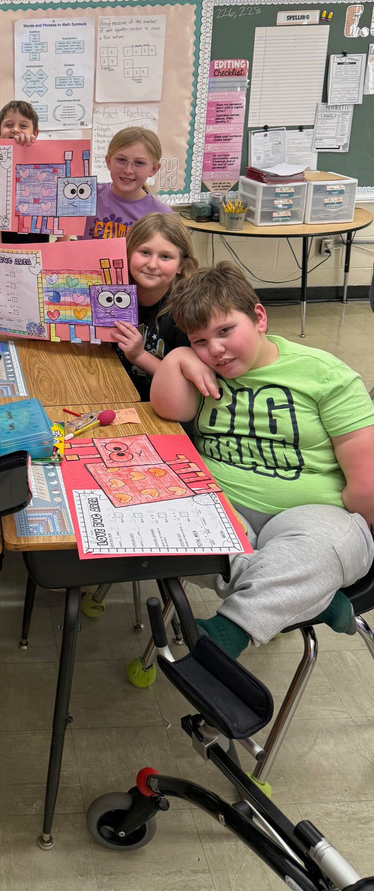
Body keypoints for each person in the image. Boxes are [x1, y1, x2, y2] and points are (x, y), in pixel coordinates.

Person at [150, 261, 374, 658]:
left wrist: (347, 532)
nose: (215, 350)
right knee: (164, 528)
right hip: (223, 505)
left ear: (258, 317)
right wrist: (178, 358)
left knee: (332, 544)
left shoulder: (324, 374)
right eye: (199, 340)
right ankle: (313, 598)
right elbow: (169, 409)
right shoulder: (205, 368)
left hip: (310, 511)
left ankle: (229, 630)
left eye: (225, 331)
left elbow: (366, 483)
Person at [111, 212, 198, 400]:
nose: (151, 264)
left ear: (181, 266)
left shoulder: (186, 312)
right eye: (145, 252)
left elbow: (186, 383)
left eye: (165, 257)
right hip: (114, 391)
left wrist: (139, 356)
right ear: (127, 253)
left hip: (160, 405)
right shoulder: (111, 295)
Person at [81, 126, 170, 241]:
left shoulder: (161, 216)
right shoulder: (86, 195)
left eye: (139, 163)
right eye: (121, 160)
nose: (128, 170)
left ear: (153, 169)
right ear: (108, 162)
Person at [0, 100, 51, 245]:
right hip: (0, 243)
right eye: (9, 125)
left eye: (23, 126)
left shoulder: (44, 165)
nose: (15, 130)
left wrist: (63, 245)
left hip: (37, 244)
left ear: (35, 133)